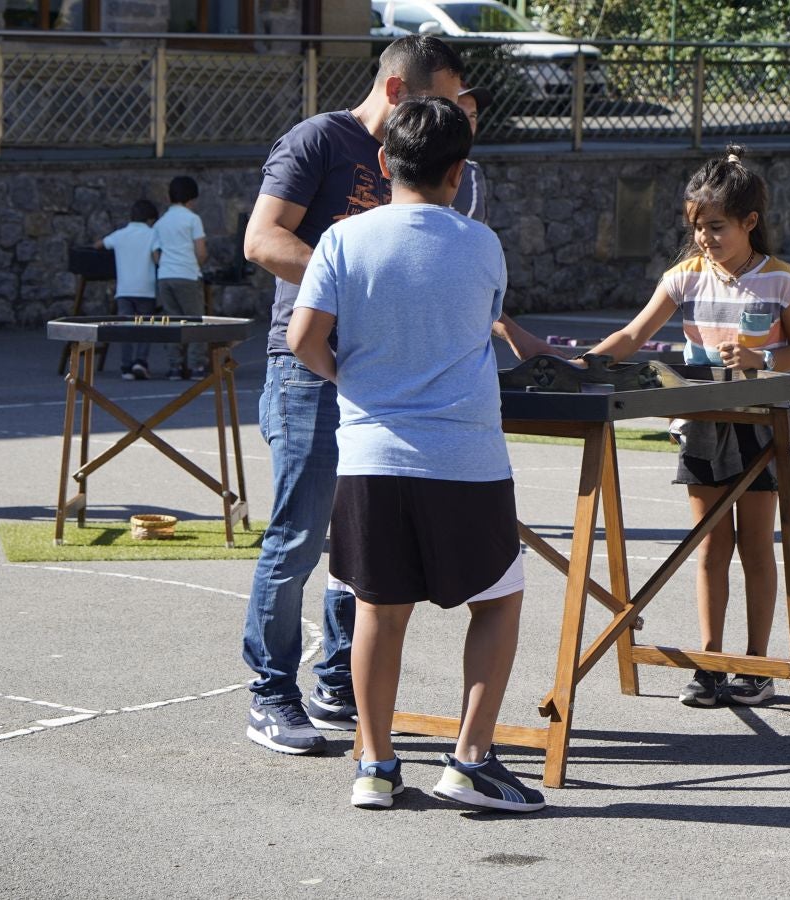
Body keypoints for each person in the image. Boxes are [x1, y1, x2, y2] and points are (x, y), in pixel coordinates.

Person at [240, 35, 552, 756]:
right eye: (439, 99)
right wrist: (353, 280)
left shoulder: (433, 168)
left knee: (358, 551)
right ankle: (270, 692)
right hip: (313, 366)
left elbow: (439, 270)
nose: (450, 114)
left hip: (378, 374)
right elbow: (262, 239)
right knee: (297, 538)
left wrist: (511, 331)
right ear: (395, 92)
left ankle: (338, 684)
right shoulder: (321, 139)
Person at [561, 144, 790, 708]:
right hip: (701, 422)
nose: (705, 237)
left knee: (755, 546)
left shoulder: (779, 280)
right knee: (708, 547)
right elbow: (632, 335)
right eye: (697, 226)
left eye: (717, 226)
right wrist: (585, 365)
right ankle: (710, 662)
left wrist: (762, 359)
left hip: (758, 422)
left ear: (750, 223)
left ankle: (755, 665)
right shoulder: (686, 277)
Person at [151, 175, 209, 380]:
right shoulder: (193, 219)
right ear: (192, 198)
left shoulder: (160, 222)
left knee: (172, 320)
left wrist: (167, 265)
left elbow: (155, 254)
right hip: (187, 275)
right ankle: (196, 366)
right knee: (195, 321)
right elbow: (200, 251)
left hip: (165, 276)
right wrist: (195, 265)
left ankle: (175, 366)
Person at [97, 199, 159, 380]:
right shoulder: (152, 233)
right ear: (150, 219)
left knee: (126, 328)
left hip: (124, 290)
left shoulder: (120, 234)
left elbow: (100, 244)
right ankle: (140, 361)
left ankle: (125, 367)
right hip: (146, 289)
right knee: (146, 327)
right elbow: (156, 258)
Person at [451, 84, 491, 222]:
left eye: (472, 116)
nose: (468, 124)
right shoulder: (414, 168)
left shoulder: (472, 172)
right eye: (460, 114)